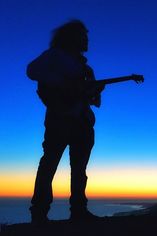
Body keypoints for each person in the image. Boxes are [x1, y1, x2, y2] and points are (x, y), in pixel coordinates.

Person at [27, 20, 104, 224]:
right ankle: (39, 214)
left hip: (82, 121)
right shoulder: (54, 55)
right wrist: (64, 83)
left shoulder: (85, 68)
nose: (87, 40)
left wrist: (94, 90)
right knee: (49, 164)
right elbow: (32, 71)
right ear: (72, 37)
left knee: (79, 168)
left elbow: (93, 100)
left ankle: (79, 211)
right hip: (59, 118)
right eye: (83, 36)